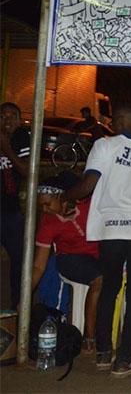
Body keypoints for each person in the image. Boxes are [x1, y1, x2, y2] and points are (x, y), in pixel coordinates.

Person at [60, 103, 131, 376]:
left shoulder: (104, 146)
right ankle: (125, 359)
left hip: (110, 230)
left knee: (109, 288)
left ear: (119, 121)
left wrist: (66, 197)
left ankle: (103, 353)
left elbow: (87, 185)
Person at [32, 172, 101, 352]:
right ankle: (89, 337)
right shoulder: (49, 223)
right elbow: (39, 265)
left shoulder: (88, 206)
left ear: (62, 197)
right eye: (41, 206)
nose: (45, 210)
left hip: (98, 256)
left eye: (48, 204)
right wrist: (24, 297)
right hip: (69, 259)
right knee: (99, 279)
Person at [1, 102, 30, 308]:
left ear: (19, 120)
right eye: (3, 116)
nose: (8, 120)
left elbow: (27, 171)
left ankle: (16, 308)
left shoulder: (21, 137)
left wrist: (6, 147)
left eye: (12, 116)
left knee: (19, 260)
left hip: (10, 210)